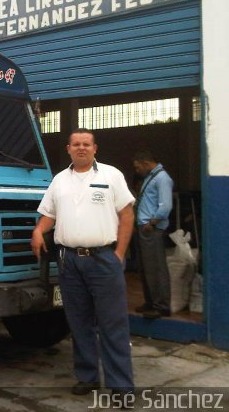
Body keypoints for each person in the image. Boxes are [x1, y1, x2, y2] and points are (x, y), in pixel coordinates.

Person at [31, 128, 135, 397]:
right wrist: (37, 230)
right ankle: (87, 377)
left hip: (103, 260)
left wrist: (120, 253)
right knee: (79, 323)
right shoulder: (59, 181)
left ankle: (121, 387)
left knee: (112, 325)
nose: (81, 148)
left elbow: (126, 214)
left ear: (95, 148)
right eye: (76, 144)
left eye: (86, 144)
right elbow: (49, 214)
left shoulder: (111, 176)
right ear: (68, 149)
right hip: (69, 262)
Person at [132, 150, 174, 319]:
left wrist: (152, 223)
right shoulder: (151, 177)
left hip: (152, 229)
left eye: (137, 167)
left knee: (155, 268)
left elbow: (165, 206)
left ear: (146, 163)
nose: (137, 171)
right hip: (144, 228)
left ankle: (161, 305)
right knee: (146, 268)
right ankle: (151, 301)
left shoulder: (162, 178)